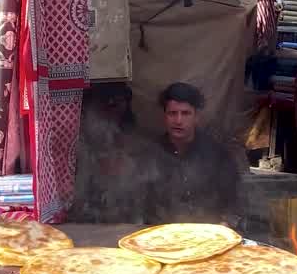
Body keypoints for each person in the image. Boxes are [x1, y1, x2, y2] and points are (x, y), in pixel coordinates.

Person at [141, 82, 240, 226]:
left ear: (196, 116)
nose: (178, 121)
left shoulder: (217, 154)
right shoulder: (151, 154)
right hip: (161, 233)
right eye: (172, 113)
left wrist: (225, 224)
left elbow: (234, 200)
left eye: (185, 113)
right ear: (164, 116)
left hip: (208, 232)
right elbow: (141, 203)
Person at [69, 83, 144, 223]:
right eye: (112, 102)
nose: (116, 106)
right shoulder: (86, 132)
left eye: (120, 101)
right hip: (89, 209)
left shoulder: (127, 126)